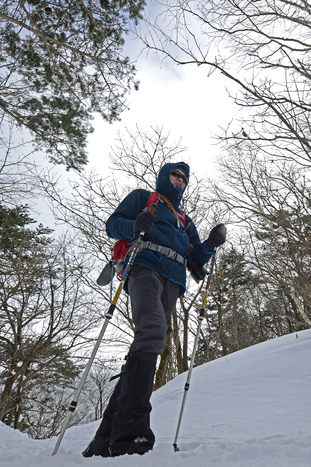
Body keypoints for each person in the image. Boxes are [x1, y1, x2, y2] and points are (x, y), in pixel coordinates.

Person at [82, 162, 226, 458]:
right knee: (153, 333)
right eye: (175, 175)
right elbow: (113, 224)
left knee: (149, 342)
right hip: (145, 268)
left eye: (184, 178)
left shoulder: (185, 221)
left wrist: (211, 244)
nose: (179, 181)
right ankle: (131, 436)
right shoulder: (143, 199)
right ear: (164, 177)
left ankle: (102, 442)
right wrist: (135, 226)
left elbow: (195, 258)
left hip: (173, 281)